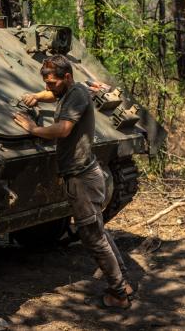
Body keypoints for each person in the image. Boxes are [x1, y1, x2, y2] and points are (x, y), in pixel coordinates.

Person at [12, 54, 134, 309]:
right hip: (84, 173)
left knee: (91, 236)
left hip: (81, 177)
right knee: (97, 229)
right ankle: (122, 280)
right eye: (46, 83)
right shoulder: (69, 91)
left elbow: (63, 129)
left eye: (53, 83)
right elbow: (54, 95)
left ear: (67, 77)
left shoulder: (77, 95)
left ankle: (119, 294)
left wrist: (33, 128)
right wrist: (37, 95)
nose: (49, 88)